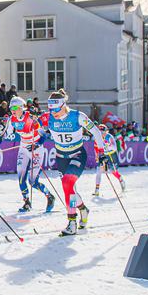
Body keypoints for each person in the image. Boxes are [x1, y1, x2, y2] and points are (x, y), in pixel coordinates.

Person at [44, 89, 105, 235]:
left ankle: (72, 222)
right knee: (70, 190)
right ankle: (83, 209)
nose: (53, 113)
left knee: (67, 183)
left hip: (77, 155)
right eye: (51, 109)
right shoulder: (48, 117)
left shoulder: (77, 116)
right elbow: (37, 129)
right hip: (61, 157)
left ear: (64, 105)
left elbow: (96, 132)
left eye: (56, 109)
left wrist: (101, 152)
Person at [0, 97, 56, 213]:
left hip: (36, 150)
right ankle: (26, 203)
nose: (12, 110)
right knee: (21, 178)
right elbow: (4, 135)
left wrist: (37, 144)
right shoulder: (12, 119)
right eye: (11, 108)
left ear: (21, 108)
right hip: (24, 148)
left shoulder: (30, 117)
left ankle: (49, 196)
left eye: (15, 108)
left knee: (33, 182)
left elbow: (44, 135)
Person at [93, 124, 126, 196]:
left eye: (103, 132)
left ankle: (121, 180)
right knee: (98, 170)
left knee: (113, 171)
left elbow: (114, 148)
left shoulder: (109, 137)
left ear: (106, 131)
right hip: (104, 154)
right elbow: (95, 148)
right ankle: (97, 190)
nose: (101, 134)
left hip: (112, 154)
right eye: (100, 132)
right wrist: (97, 156)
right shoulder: (97, 138)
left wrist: (109, 146)